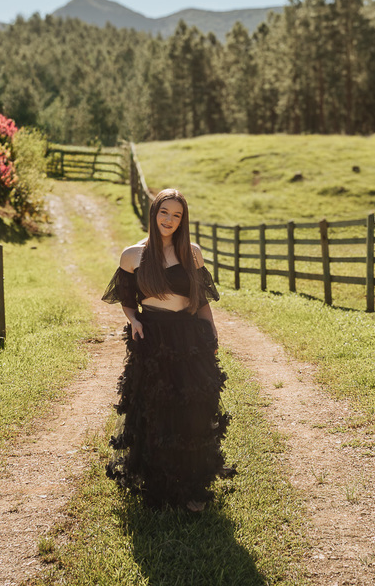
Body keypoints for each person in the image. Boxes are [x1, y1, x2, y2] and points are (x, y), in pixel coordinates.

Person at [101, 188, 231, 511]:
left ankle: (192, 487)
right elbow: (127, 301)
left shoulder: (192, 253)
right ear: (154, 213)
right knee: (155, 411)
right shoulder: (133, 256)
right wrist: (133, 320)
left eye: (176, 215)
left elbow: (202, 301)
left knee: (193, 410)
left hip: (188, 338)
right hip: (152, 338)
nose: (169, 220)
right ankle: (159, 488)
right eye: (164, 212)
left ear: (183, 220)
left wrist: (212, 334)